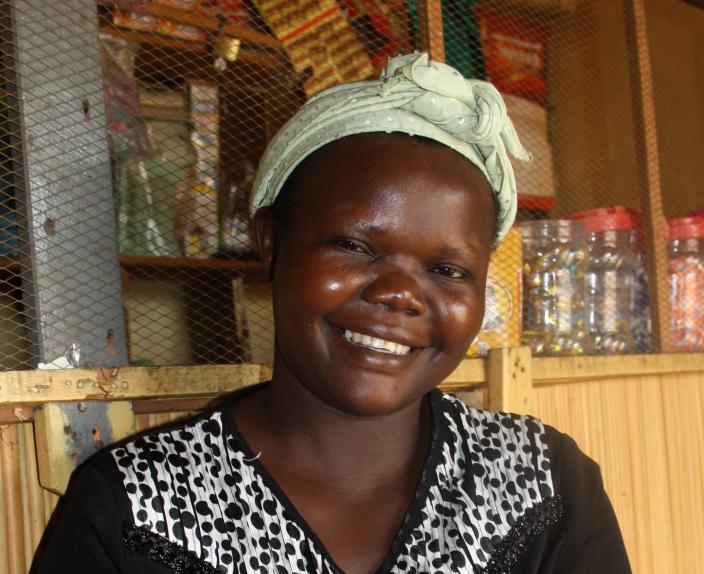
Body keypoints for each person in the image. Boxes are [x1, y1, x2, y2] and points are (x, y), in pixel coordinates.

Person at [32, 53, 630, 574]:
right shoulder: (131, 506)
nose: (400, 294)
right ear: (271, 242)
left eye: (448, 271)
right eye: (355, 246)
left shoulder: (544, 483)